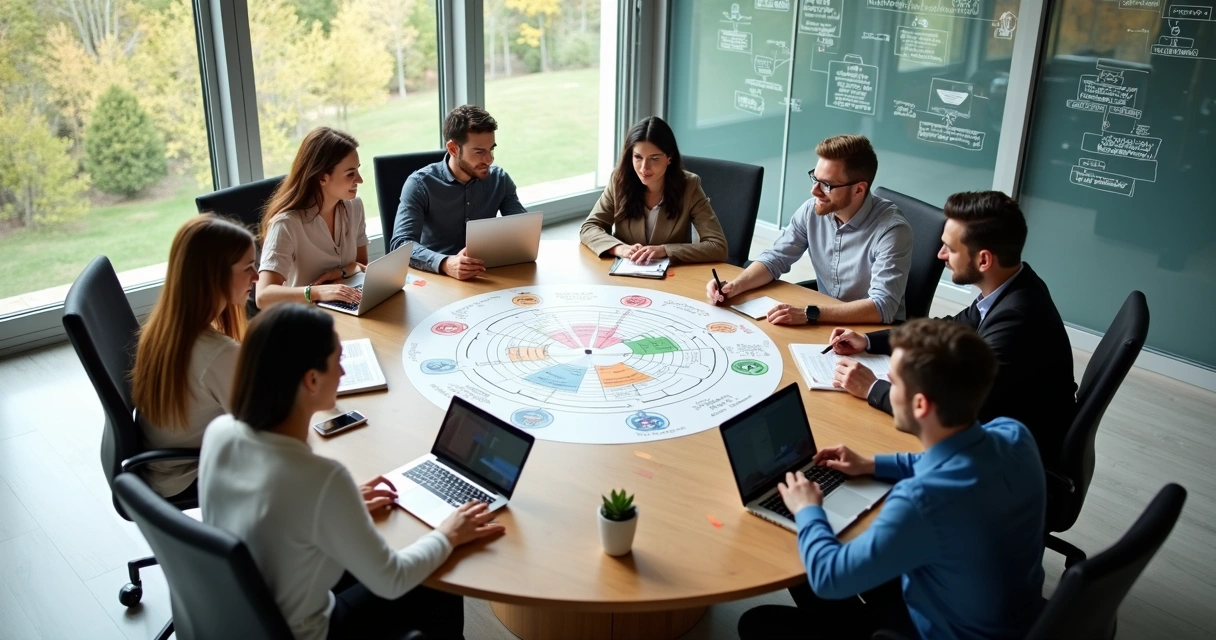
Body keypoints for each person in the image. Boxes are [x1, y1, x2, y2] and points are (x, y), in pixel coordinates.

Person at [199, 304, 504, 640]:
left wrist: (340, 506)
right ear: (311, 379)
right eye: (338, 361)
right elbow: (392, 579)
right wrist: (450, 533)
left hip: (242, 618)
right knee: (438, 577)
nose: (343, 373)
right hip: (310, 632)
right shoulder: (321, 479)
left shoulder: (220, 432)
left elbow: (271, 507)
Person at [737, 319, 1047, 640]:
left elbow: (829, 578)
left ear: (920, 405)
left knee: (759, 620)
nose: (885, 383)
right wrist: (870, 464)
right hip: (1011, 616)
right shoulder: (1014, 435)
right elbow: (948, 460)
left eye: (893, 381)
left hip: (944, 630)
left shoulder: (920, 502)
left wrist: (807, 509)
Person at [827, 190, 1076, 468]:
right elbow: (943, 330)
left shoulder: (1017, 320)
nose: (939, 254)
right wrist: (869, 342)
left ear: (983, 260)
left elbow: (954, 414)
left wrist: (872, 387)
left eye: (951, 248)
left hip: (1009, 463)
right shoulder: (1013, 285)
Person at [706, 135, 912, 325]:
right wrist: (735, 286)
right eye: (815, 178)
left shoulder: (892, 231)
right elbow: (776, 258)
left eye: (827, 185)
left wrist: (809, 313)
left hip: (872, 331)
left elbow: (882, 307)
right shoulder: (811, 210)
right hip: (826, 318)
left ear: (859, 189)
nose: (814, 191)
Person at [130, 215, 258, 498]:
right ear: (215, 276)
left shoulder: (163, 327)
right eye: (248, 268)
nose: (256, 277)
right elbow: (264, 431)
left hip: (163, 466)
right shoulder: (218, 354)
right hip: (190, 472)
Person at [390, 105, 526, 280]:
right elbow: (401, 246)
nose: (489, 160)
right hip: (436, 278)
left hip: (485, 275)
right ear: (453, 148)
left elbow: (523, 230)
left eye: (491, 149)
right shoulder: (419, 185)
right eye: (479, 152)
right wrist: (445, 263)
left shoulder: (500, 179)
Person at [580, 116, 728, 264]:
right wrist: (620, 248)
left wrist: (665, 250)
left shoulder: (689, 186)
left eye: (654, 159)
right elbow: (589, 228)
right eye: (638, 157)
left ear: (669, 157)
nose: (644, 168)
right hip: (624, 273)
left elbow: (717, 246)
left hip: (673, 277)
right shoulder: (619, 181)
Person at [255, 127, 369, 309]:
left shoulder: (354, 207)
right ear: (322, 178)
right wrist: (316, 291)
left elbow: (361, 265)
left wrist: (339, 271)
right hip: (303, 318)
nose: (360, 180)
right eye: (350, 174)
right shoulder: (286, 224)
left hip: (343, 309)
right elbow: (263, 296)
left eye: (357, 170)